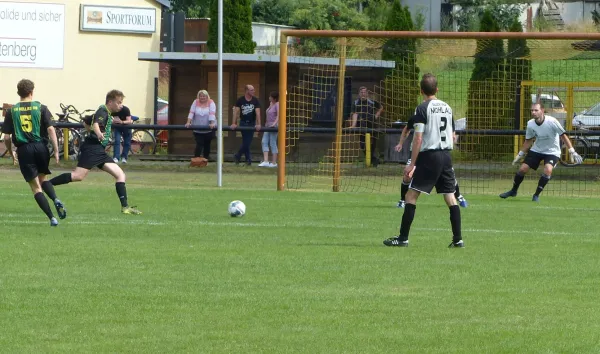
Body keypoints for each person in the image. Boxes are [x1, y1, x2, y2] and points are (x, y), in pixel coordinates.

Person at [384, 73, 463, 248]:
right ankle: (458, 239)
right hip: (446, 156)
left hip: (430, 156)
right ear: (437, 89)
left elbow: (418, 138)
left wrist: (412, 164)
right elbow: (453, 136)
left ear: (421, 91)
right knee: (451, 197)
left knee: (410, 196)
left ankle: (403, 238)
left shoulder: (421, 109)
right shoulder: (448, 108)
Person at [49, 89, 142, 215]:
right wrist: (98, 134)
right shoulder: (103, 111)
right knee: (78, 176)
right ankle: (46, 184)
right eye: (119, 102)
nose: (121, 105)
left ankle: (125, 207)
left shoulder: (105, 112)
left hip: (99, 151)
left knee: (120, 175)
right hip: (92, 149)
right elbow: (97, 124)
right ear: (110, 102)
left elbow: (86, 122)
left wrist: (90, 130)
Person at [1, 79, 66, 226]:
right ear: (32, 92)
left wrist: (11, 153)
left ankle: (52, 218)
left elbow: (6, 137)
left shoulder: (11, 111)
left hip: (24, 149)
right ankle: (55, 198)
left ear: (19, 93)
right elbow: (51, 130)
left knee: (36, 187)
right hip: (41, 147)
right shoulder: (41, 108)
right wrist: (56, 150)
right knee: (43, 179)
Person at [499, 102, 581, 202]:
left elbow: (563, 136)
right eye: (532, 110)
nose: (533, 112)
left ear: (542, 111)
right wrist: (520, 154)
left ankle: (536, 195)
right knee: (522, 169)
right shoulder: (530, 123)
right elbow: (528, 140)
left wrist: (572, 151)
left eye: (536, 110)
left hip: (552, 152)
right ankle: (513, 191)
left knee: (548, 170)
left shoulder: (552, 121)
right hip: (537, 150)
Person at [395, 115, 468, 208]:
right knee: (407, 175)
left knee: (449, 175)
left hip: (433, 153)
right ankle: (402, 200)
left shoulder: (438, 118)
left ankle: (459, 196)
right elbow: (406, 129)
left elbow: (450, 131)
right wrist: (400, 143)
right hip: (416, 152)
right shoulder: (419, 116)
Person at [349, 87, 384, 167]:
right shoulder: (355, 103)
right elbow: (354, 114)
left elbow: (381, 107)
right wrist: (353, 125)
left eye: (364, 92)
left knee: (373, 144)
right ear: (359, 94)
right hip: (362, 125)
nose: (363, 94)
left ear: (367, 93)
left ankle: (373, 160)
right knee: (362, 144)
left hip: (372, 125)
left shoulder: (372, 102)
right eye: (361, 92)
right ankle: (373, 159)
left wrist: (376, 116)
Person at [231, 85, 261, 165]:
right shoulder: (240, 100)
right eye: (252, 90)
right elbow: (236, 112)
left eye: (253, 90)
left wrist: (259, 124)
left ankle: (238, 156)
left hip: (251, 123)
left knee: (247, 142)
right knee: (246, 141)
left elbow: (258, 113)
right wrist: (234, 123)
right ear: (247, 91)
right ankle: (248, 160)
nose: (253, 91)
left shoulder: (255, 100)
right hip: (243, 123)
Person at [185, 90, 216, 160]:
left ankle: (206, 159)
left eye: (204, 96)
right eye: (201, 96)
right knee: (199, 144)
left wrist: (211, 123)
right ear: (198, 96)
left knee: (207, 144)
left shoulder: (211, 102)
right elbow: (191, 112)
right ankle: (196, 159)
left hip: (208, 128)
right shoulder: (195, 102)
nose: (202, 97)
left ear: (207, 96)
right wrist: (188, 122)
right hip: (197, 127)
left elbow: (212, 113)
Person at [259, 91, 279, 167]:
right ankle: (266, 161)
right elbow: (268, 114)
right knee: (264, 141)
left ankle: (274, 162)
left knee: (272, 143)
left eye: (270, 96)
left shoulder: (277, 104)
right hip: (267, 126)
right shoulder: (271, 104)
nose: (269, 98)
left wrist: (274, 124)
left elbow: (278, 116)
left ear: (274, 98)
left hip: (274, 126)